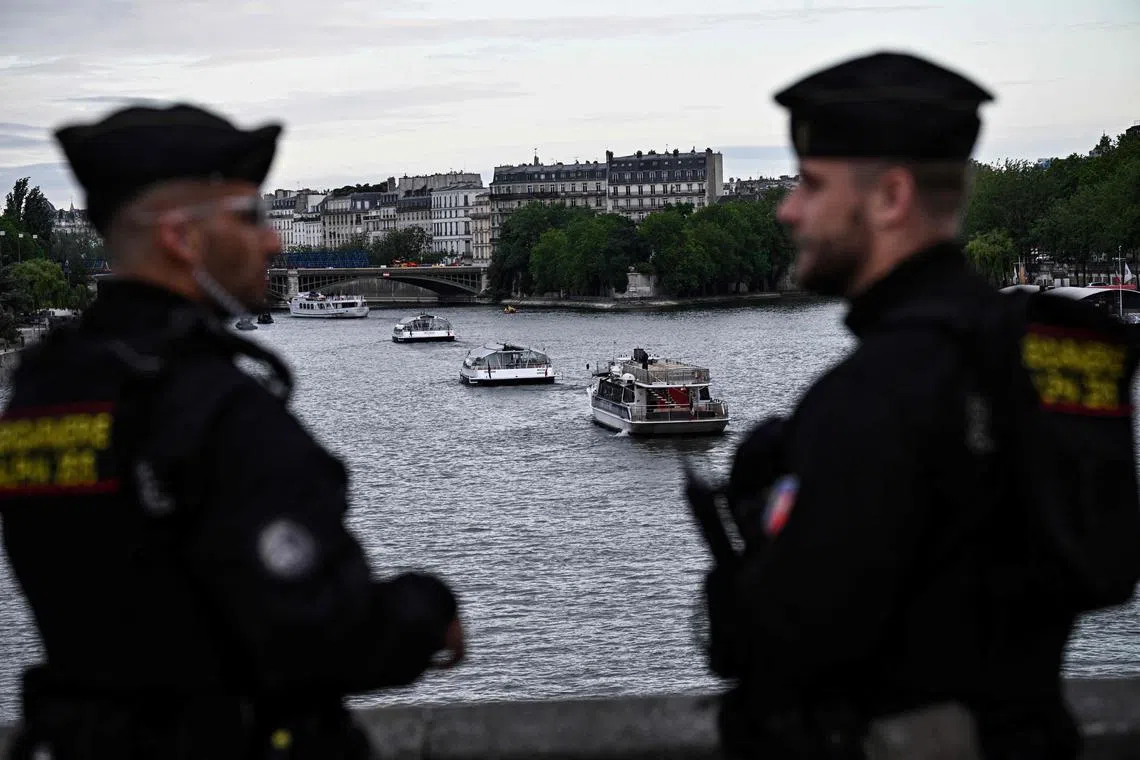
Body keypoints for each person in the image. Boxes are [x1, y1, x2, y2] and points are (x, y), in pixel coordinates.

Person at [0, 103, 464, 759]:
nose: (273, 242)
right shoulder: (209, 405)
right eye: (248, 218)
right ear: (181, 240)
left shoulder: (40, 393)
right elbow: (317, 633)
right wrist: (427, 611)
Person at [701, 52, 1083, 759]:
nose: (787, 209)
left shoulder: (872, 398)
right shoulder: (1033, 352)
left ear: (891, 198)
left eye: (812, 185)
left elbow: (774, 645)